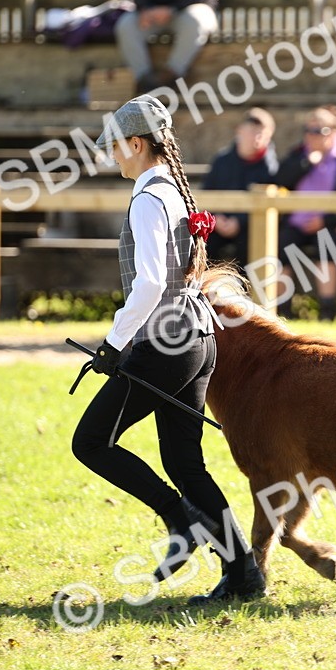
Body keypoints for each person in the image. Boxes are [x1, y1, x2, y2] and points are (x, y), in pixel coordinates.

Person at [73, 94, 265, 604]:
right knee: (184, 463)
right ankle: (244, 574)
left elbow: (149, 284)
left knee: (91, 442)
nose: (112, 155)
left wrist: (114, 344)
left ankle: (181, 521)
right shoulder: (172, 191)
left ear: (137, 144)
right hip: (197, 340)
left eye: (115, 146)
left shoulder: (147, 197)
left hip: (165, 342)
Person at [275, 105, 336, 320]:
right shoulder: (298, 155)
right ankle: (282, 310)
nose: (312, 136)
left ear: (333, 132)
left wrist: (324, 220)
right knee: (282, 242)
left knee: (326, 243)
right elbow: (280, 181)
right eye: (309, 130)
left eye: (319, 131)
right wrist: (306, 164)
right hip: (298, 221)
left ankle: (327, 310)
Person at [203, 108, 278, 268]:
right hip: (218, 223)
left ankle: (247, 291)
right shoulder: (221, 161)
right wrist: (216, 219)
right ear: (240, 131)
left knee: (253, 243)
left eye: (262, 134)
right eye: (252, 132)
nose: (257, 139)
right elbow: (206, 194)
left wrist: (239, 222)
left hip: (251, 226)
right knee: (202, 243)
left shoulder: (271, 169)